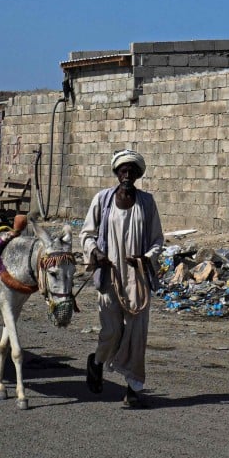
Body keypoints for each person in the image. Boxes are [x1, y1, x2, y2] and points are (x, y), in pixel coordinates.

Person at [79, 149, 164, 408]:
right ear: (117, 173)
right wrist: (96, 252)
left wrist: (145, 258)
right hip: (109, 276)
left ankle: (133, 387)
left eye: (132, 172)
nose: (127, 175)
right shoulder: (103, 200)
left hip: (137, 278)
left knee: (136, 333)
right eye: (123, 171)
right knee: (112, 331)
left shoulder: (147, 202)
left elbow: (157, 240)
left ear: (138, 175)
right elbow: (86, 234)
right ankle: (97, 361)